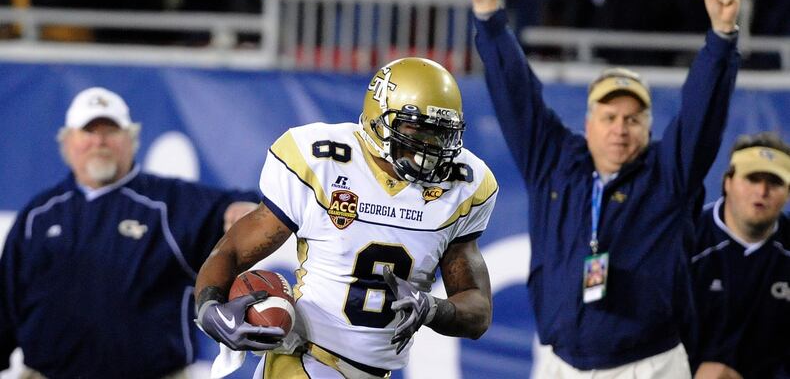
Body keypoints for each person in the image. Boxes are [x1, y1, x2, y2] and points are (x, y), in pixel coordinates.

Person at [465, 0, 740, 377]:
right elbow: (516, 96)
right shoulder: (554, 163)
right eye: (609, 117)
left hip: (649, 365)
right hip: (560, 363)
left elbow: (703, 113)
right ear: (588, 124)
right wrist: (489, 17)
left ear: (649, 129)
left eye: (633, 119)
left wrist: (720, 39)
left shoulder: (669, 174)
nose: (620, 129)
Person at [194, 57, 499, 378]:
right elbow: (232, 251)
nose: (429, 147)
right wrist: (210, 307)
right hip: (307, 360)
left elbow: (478, 311)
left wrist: (433, 309)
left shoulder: (463, 184)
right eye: (417, 130)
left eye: (440, 134)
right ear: (379, 119)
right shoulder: (322, 161)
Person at [0, 87, 260, 378]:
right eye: (88, 131)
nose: (99, 141)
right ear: (67, 142)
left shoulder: (168, 203)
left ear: (131, 139)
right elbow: (6, 301)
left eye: (110, 130)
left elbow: (239, 206)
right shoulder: (38, 215)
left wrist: (240, 209)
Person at [690, 132, 790, 379]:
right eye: (752, 178)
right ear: (728, 182)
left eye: (775, 182)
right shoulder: (687, 242)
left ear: (788, 193)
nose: (762, 191)